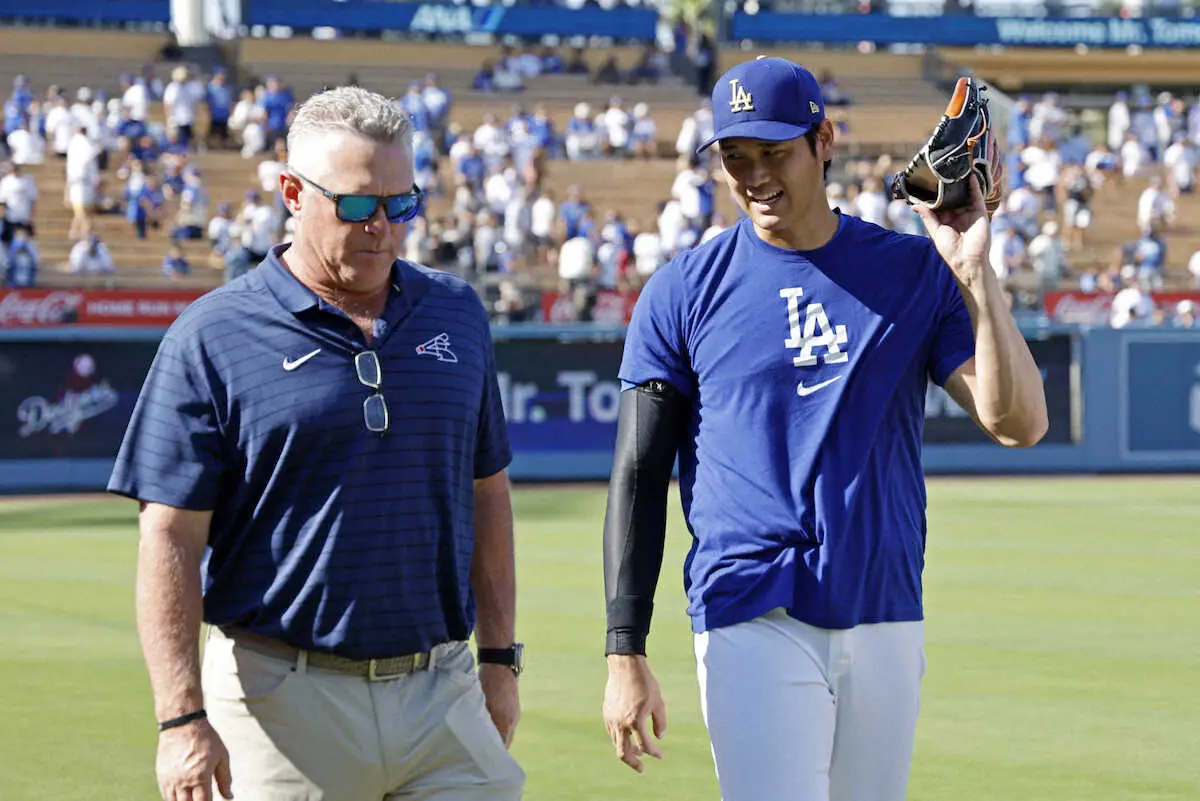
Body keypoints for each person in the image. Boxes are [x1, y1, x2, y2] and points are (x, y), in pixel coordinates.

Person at [600, 57, 1048, 801]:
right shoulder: (681, 291)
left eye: (773, 153)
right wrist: (625, 650)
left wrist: (973, 273)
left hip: (884, 604)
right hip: (750, 604)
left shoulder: (911, 269)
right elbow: (640, 472)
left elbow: (1018, 421)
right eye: (735, 157)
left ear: (824, 141)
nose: (753, 175)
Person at [108, 85, 525, 801]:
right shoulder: (211, 335)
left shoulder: (457, 313)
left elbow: (487, 492)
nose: (384, 229)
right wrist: (180, 718)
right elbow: (169, 537)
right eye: (359, 205)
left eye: (402, 204)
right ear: (292, 192)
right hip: (281, 702)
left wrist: (498, 658)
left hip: (443, 692)